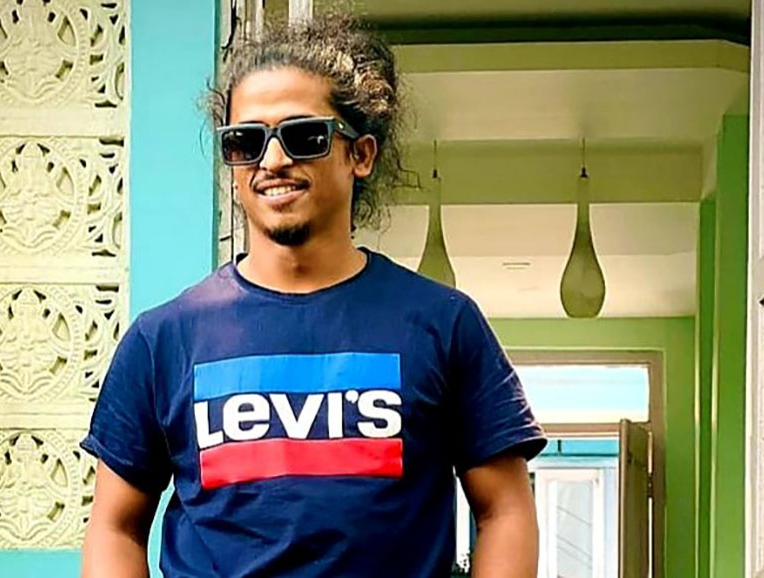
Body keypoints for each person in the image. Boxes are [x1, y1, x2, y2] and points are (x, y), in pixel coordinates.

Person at [80, 13, 545, 578]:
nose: (273, 161)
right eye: (246, 141)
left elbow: (504, 510)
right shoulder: (164, 339)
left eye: (304, 136)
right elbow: (115, 527)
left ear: (361, 155)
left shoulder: (443, 324)